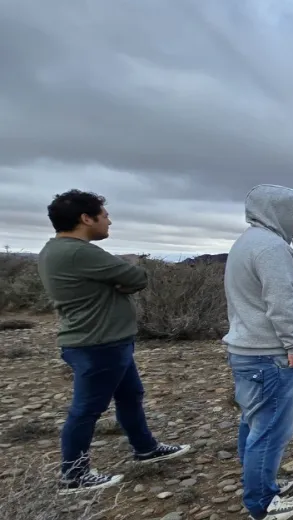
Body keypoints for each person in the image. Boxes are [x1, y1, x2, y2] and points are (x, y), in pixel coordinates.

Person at [36, 189, 191, 495]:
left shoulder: (53, 250)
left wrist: (119, 281)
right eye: (104, 215)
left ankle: (145, 448)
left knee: (130, 395)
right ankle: (74, 473)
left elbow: (123, 281)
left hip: (100, 340)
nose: (109, 221)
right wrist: (130, 266)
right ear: (86, 218)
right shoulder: (80, 252)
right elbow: (136, 278)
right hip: (98, 343)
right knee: (86, 409)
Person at [223, 184, 293, 520]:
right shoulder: (270, 247)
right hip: (271, 354)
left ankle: (262, 483)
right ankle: (263, 504)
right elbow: (281, 302)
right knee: (271, 428)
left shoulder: (250, 242)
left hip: (252, 351)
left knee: (255, 422)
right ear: (275, 209)